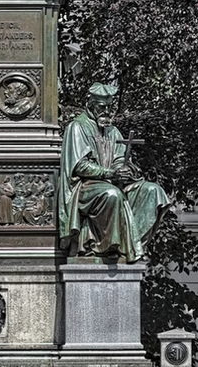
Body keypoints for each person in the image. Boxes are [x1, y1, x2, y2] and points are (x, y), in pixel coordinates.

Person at [58, 83, 169, 262]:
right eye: (102, 107)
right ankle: (108, 248)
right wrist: (110, 173)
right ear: (90, 104)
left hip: (112, 182)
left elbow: (120, 159)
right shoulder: (77, 127)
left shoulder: (113, 131)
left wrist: (124, 170)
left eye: (110, 107)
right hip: (84, 187)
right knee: (112, 194)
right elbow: (79, 166)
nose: (107, 111)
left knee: (153, 191)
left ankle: (133, 245)